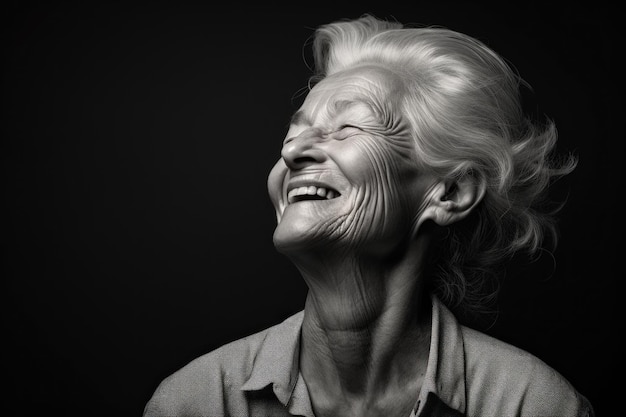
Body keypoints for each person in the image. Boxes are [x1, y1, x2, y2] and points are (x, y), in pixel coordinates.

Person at [143, 14, 594, 417]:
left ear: (450, 192)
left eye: (347, 127)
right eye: (294, 132)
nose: (293, 150)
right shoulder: (193, 402)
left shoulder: (532, 404)